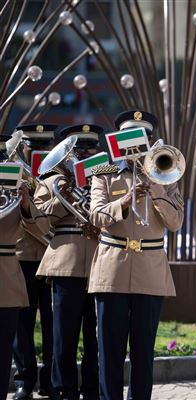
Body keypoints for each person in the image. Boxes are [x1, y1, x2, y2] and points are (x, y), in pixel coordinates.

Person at [88, 110, 184, 400]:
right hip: (112, 270)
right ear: (119, 142)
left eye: (143, 138)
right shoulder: (104, 175)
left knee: (143, 351)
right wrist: (126, 200)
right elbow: (96, 216)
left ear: (151, 142)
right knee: (110, 350)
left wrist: (154, 188)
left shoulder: (167, 175)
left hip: (150, 271)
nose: (137, 146)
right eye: (130, 139)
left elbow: (175, 222)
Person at [33, 124, 104, 400]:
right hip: (66, 262)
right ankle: (64, 390)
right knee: (64, 335)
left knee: (95, 336)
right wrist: (67, 194)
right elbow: (40, 218)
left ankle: (93, 389)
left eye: (90, 147)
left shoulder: (104, 178)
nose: (85, 152)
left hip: (101, 263)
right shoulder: (51, 180)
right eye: (78, 149)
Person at [11, 124, 56, 400]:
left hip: (53, 257)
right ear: (22, 147)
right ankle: (24, 380)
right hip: (24, 256)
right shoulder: (12, 173)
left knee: (54, 325)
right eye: (32, 145)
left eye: (43, 145)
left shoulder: (58, 174)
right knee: (22, 324)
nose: (37, 150)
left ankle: (51, 380)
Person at [0, 135, 44, 400]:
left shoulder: (15, 188)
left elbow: (40, 228)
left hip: (6, 276)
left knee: (3, 350)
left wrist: (26, 203)